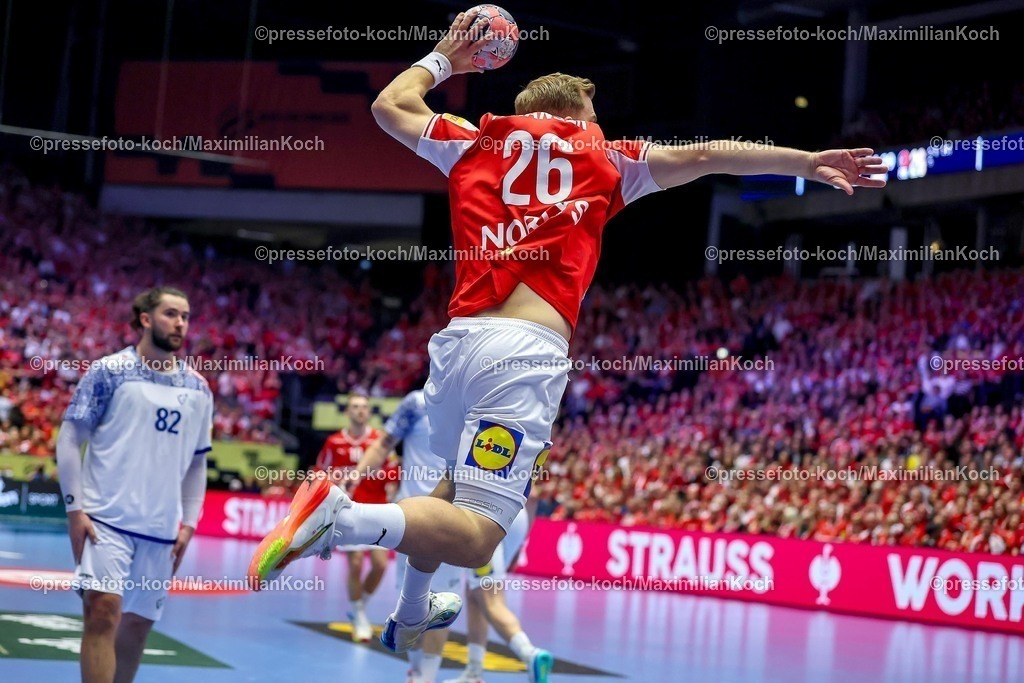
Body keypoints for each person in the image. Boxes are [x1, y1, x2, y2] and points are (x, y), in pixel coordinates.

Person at [248, 7, 887, 660]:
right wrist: (807, 160)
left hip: (457, 346)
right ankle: (342, 519)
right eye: (594, 105)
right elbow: (706, 155)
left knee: (443, 491)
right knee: (476, 538)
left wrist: (445, 56)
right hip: (524, 353)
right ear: (575, 113)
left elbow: (389, 106)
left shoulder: (474, 140)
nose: (600, 117)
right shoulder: (606, 158)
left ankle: (410, 611)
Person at [56, 286, 213, 683]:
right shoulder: (108, 372)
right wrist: (75, 510)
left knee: (137, 626)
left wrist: (189, 524)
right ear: (145, 318)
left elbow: (198, 464)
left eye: (185, 316)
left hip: (161, 530)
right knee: (103, 611)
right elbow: (71, 437)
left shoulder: (198, 388)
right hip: (105, 521)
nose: (180, 323)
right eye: (170, 314)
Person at [352, 390, 552, 683]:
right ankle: (467, 670)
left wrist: (353, 479)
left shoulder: (467, 405)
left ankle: (426, 676)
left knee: (438, 600)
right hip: (468, 515)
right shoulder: (477, 403)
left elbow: (386, 447)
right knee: (472, 596)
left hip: (440, 517)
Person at [314, 393, 395, 642]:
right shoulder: (334, 442)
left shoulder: (379, 440)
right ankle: (359, 616)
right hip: (350, 511)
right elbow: (320, 474)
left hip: (379, 509)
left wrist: (393, 491)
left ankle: (359, 605)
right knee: (356, 562)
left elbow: (392, 469)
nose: (360, 411)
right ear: (347, 412)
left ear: (369, 413)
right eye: (355, 407)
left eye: (364, 407)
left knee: (381, 565)